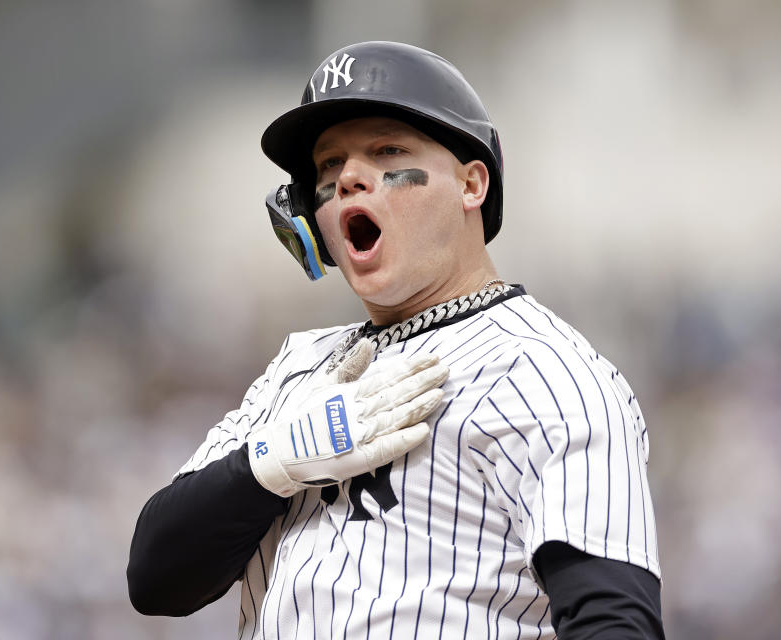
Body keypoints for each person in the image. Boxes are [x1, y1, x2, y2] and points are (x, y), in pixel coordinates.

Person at [127, 41, 665, 639]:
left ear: (471, 184)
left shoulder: (547, 371)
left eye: (387, 151)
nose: (350, 177)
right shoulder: (297, 372)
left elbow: (614, 622)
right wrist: (270, 465)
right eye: (329, 166)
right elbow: (155, 579)